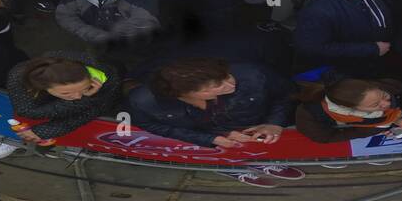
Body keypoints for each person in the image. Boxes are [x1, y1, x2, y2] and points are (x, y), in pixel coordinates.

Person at [124, 56, 291, 149]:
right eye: (216, 86)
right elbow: (153, 126)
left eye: (227, 76)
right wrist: (210, 138)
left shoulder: (254, 74)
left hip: (259, 133)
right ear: (183, 94)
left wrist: (274, 123)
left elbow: (287, 94)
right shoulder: (144, 101)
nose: (230, 84)